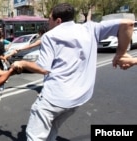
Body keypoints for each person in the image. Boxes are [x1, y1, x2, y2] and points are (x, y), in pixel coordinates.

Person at [12, 3, 134, 141]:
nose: (48, 22)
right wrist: (120, 53)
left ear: (58, 21)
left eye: (49, 19)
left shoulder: (50, 36)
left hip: (54, 98)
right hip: (80, 96)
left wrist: (22, 63)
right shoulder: (90, 28)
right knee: (53, 127)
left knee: (34, 136)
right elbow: (128, 24)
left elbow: (43, 68)